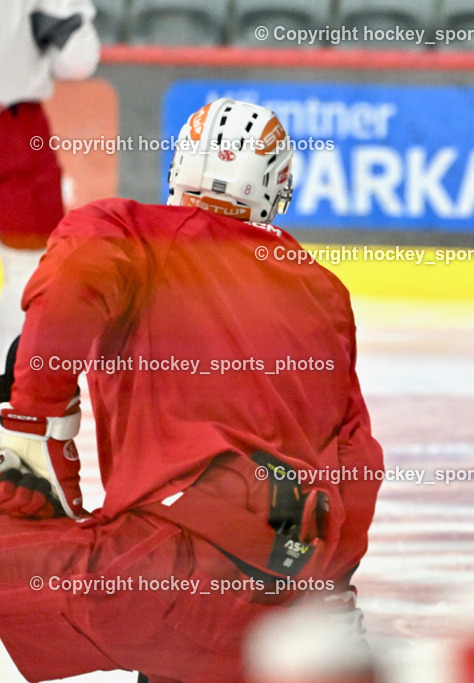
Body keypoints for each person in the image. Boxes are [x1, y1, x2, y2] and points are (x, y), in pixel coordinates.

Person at [0, 98, 383, 682]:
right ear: (276, 187)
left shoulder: (129, 234)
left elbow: (77, 274)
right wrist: (329, 589)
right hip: (285, 579)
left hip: (163, 575)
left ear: (178, 168)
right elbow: (357, 456)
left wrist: (32, 417)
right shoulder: (325, 291)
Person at [0, 0, 101, 392]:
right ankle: (13, 383)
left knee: (30, 263)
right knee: (29, 267)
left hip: (17, 130)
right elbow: (79, 60)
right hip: (14, 125)